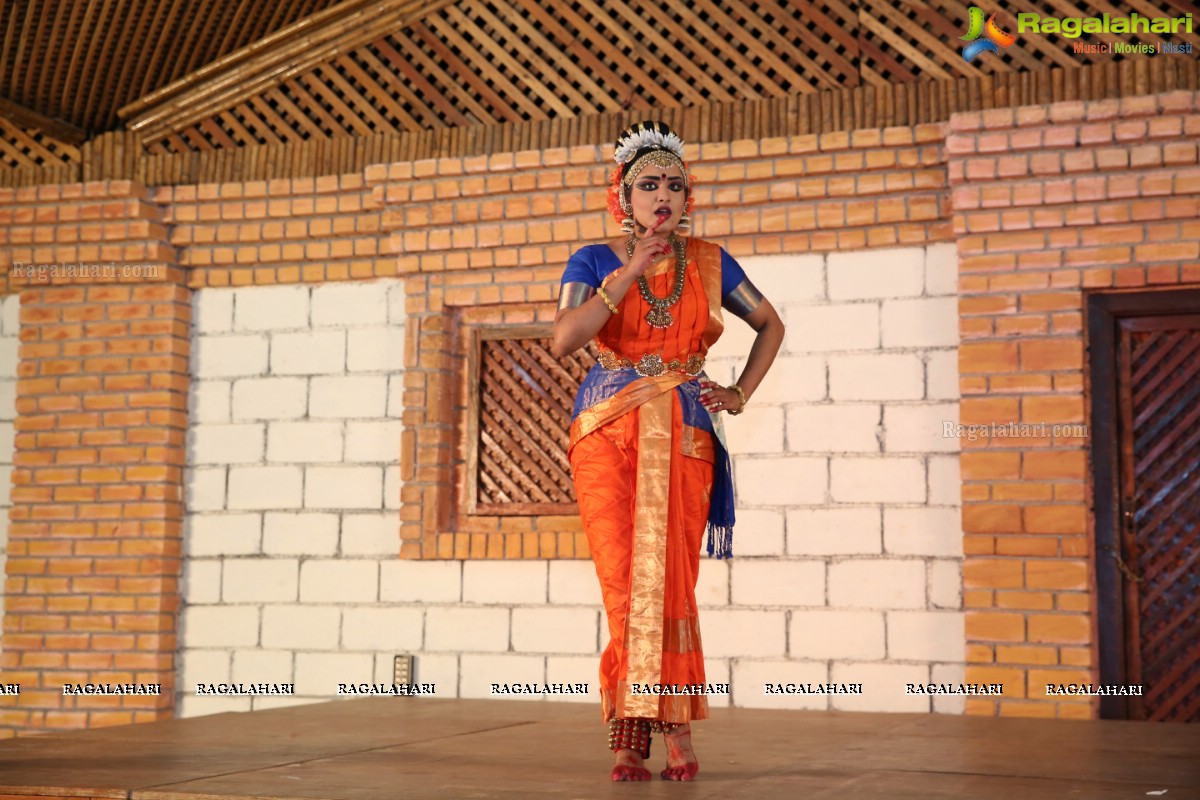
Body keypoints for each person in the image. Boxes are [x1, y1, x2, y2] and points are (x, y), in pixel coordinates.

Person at [550, 121, 785, 782]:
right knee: (625, 582)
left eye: (674, 185)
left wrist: (738, 391)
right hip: (605, 431)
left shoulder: (711, 264)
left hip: (685, 429)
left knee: (672, 581)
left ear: (688, 198)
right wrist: (629, 270)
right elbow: (565, 339)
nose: (662, 194)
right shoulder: (593, 261)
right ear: (621, 195)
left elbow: (770, 324)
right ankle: (638, 726)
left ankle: (665, 720)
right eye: (647, 183)